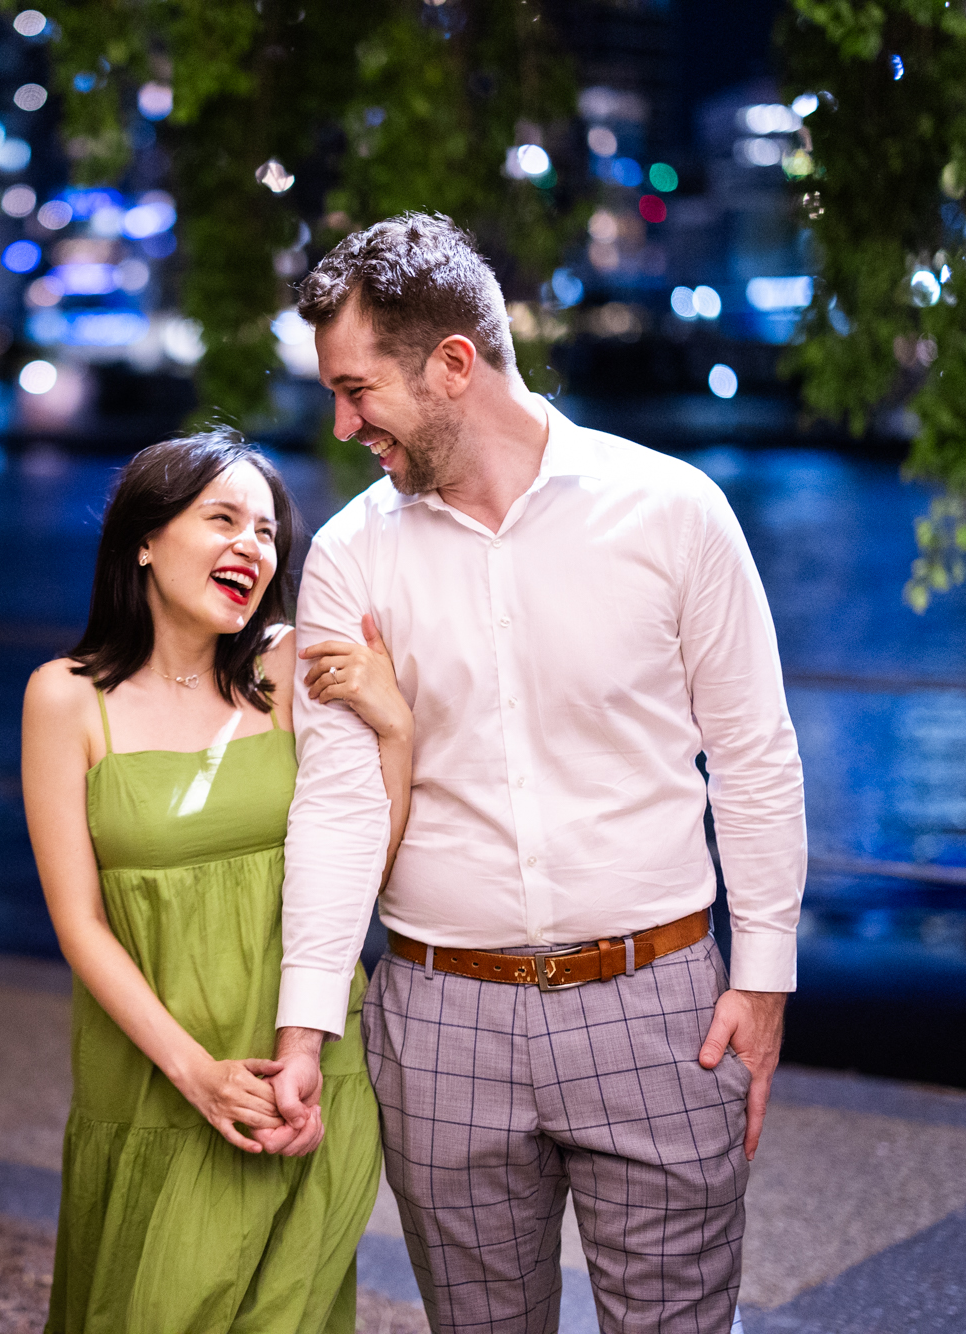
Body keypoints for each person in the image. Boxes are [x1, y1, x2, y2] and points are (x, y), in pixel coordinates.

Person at [266, 214, 807, 1334]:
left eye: (357, 388)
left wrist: (760, 979)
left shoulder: (671, 510)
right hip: (438, 1017)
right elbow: (335, 793)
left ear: (453, 363)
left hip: (657, 1009)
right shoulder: (349, 555)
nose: (341, 420)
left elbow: (753, 753)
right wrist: (304, 1022)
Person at [21, 428, 414, 1333]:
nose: (253, 544)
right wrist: (196, 1074)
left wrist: (393, 730)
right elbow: (79, 923)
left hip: (307, 1073)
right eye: (223, 518)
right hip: (157, 1079)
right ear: (144, 540)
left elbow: (366, 865)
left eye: (268, 530)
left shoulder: (289, 670)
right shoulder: (67, 698)